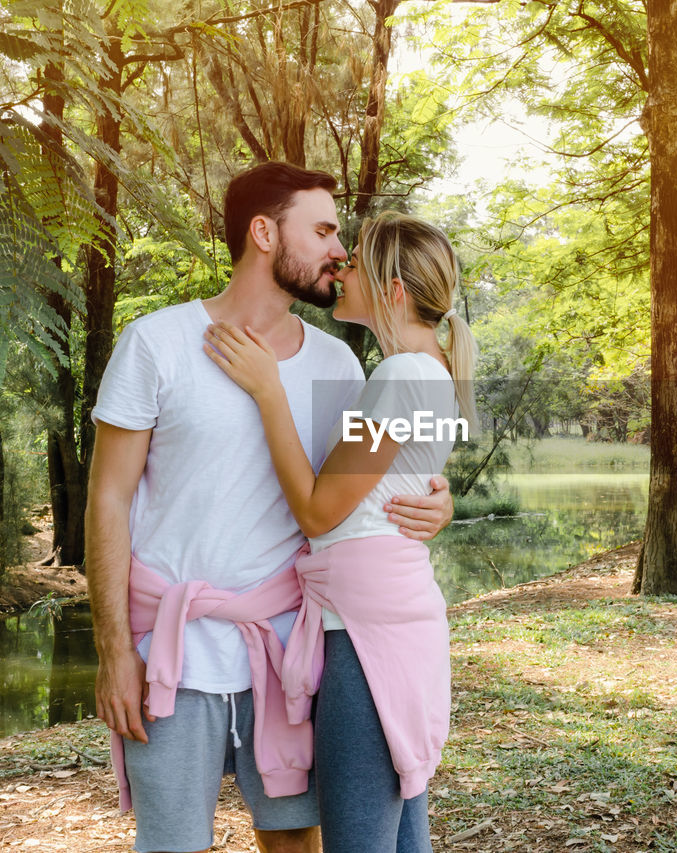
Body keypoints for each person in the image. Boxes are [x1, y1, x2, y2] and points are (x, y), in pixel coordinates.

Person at [86, 163, 454, 853]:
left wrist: (438, 499)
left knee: (295, 844)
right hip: (171, 650)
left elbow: (366, 481)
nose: (339, 250)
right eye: (322, 230)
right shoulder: (156, 342)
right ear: (263, 232)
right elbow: (107, 498)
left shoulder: (342, 368)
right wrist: (111, 649)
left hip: (292, 648)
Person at [202, 210, 474, 853]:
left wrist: (269, 391)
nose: (339, 268)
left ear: (394, 291)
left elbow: (320, 512)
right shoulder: (423, 373)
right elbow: (388, 492)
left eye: (354, 263)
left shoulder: (402, 376)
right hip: (382, 620)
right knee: (402, 837)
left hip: (368, 633)